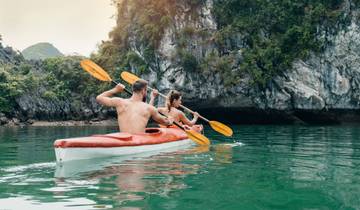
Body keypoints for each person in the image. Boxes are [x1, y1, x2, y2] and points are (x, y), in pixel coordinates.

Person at [96, 79, 173, 134]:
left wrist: (115, 90)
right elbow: (164, 122)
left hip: (124, 139)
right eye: (146, 90)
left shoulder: (120, 102)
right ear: (143, 91)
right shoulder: (149, 108)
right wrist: (170, 120)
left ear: (133, 89)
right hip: (138, 142)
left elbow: (99, 98)